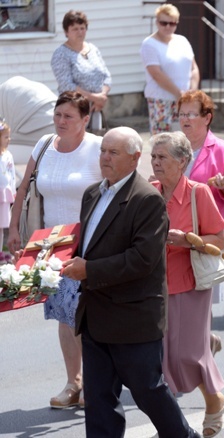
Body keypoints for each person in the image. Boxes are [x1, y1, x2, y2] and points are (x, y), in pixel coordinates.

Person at [63, 127, 200, 438]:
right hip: (96, 313)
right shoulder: (93, 193)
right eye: (103, 151)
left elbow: (142, 259)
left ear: (135, 158)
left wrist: (90, 270)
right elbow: (88, 246)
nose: (105, 157)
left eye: (114, 152)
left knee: (148, 391)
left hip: (133, 316)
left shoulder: (147, 199)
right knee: (98, 400)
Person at [7, 91, 103, 409]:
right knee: (65, 316)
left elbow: (118, 191)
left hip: (90, 245)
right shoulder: (44, 144)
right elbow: (23, 189)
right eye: (58, 115)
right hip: (51, 246)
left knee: (87, 315)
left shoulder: (98, 148)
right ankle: (72, 383)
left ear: (86, 120)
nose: (61, 122)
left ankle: (94, 381)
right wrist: (12, 229)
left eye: (69, 117)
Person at [150, 132, 224, 438]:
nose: (155, 162)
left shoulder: (198, 193)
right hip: (154, 286)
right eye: (153, 157)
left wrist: (188, 241)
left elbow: (218, 240)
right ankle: (172, 426)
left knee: (184, 358)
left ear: (182, 162)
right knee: (162, 360)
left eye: (162, 157)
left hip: (189, 284)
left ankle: (214, 400)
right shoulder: (149, 191)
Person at [178, 89, 224, 351]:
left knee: (201, 296)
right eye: (182, 114)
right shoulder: (173, 145)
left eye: (191, 114)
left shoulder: (222, 150)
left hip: (207, 235)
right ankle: (204, 344)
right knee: (177, 297)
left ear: (207, 118)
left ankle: (200, 352)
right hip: (176, 233)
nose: (185, 119)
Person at [140, 3, 199, 135]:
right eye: (163, 23)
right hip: (162, 100)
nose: (168, 26)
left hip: (185, 101)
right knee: (163, 141)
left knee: (185, 139)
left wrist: (191, 93)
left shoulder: (182, 40)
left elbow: (194, 67)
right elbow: (156, 74)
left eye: (172, 23)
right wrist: (179, 93)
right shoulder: (149, 44)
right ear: (157, 22)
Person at [50, 10, 111, 128]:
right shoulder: (61, 54)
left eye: (82, 28)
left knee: (96, 142)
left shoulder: (93, 49)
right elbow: (66, 85)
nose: (80, 32)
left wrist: (102, 96)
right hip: (74, 109)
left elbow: (106, 76)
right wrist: (95, 97)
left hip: (95, 108)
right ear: (66, 32)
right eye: (75, 29)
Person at [0, 118, 15, 251]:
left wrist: (13, 189)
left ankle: (0, 251)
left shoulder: (8, 155)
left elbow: (12, 173)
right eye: (5, 137)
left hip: (4, 195)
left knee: (1, 226)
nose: (8, 140)